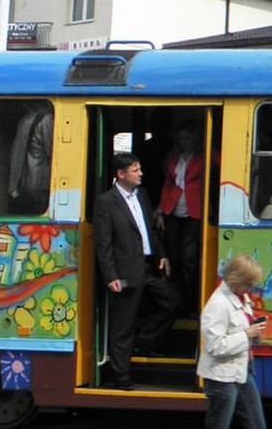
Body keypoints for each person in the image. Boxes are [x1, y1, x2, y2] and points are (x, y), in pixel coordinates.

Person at [93, 152, 181, 389]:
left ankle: (146, 339)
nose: (141, 173)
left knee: (173, 300)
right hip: (124, 271)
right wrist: (110, 276)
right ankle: (122, 377)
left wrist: (161, 254)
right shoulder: (106, 201)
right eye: (135, 170)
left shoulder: (141, 195)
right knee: (123, 325)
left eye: (140, 168)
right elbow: (104, 243)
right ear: (121, 174)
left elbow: (149, 231)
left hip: (148, 265)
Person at [198, 254, 267, 429]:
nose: (251, 288)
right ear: (238, 280)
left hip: (242, 371)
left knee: (256, 424)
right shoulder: (218, 304)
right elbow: (215, 346)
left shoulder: (241, 298)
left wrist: (255, 330)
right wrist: (247, 334)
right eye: (248, 284)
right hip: (222, 377)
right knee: (218, 424)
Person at [158, 120, 204, 314]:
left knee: (189, 259)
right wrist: (161, 210)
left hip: (194, 213)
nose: (185, 142)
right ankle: (178, 303)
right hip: (172, 212)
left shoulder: (204, 155)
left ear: (195, 139)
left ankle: (193, 302)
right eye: (181, 138)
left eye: (188, 138)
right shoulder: (173, 157)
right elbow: (168, 183)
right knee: (174, 259)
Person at [7, 102, 53, 214]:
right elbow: (54, 152)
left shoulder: (25, 120)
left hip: (19, 188)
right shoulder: (46, 120)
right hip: (38, 188)